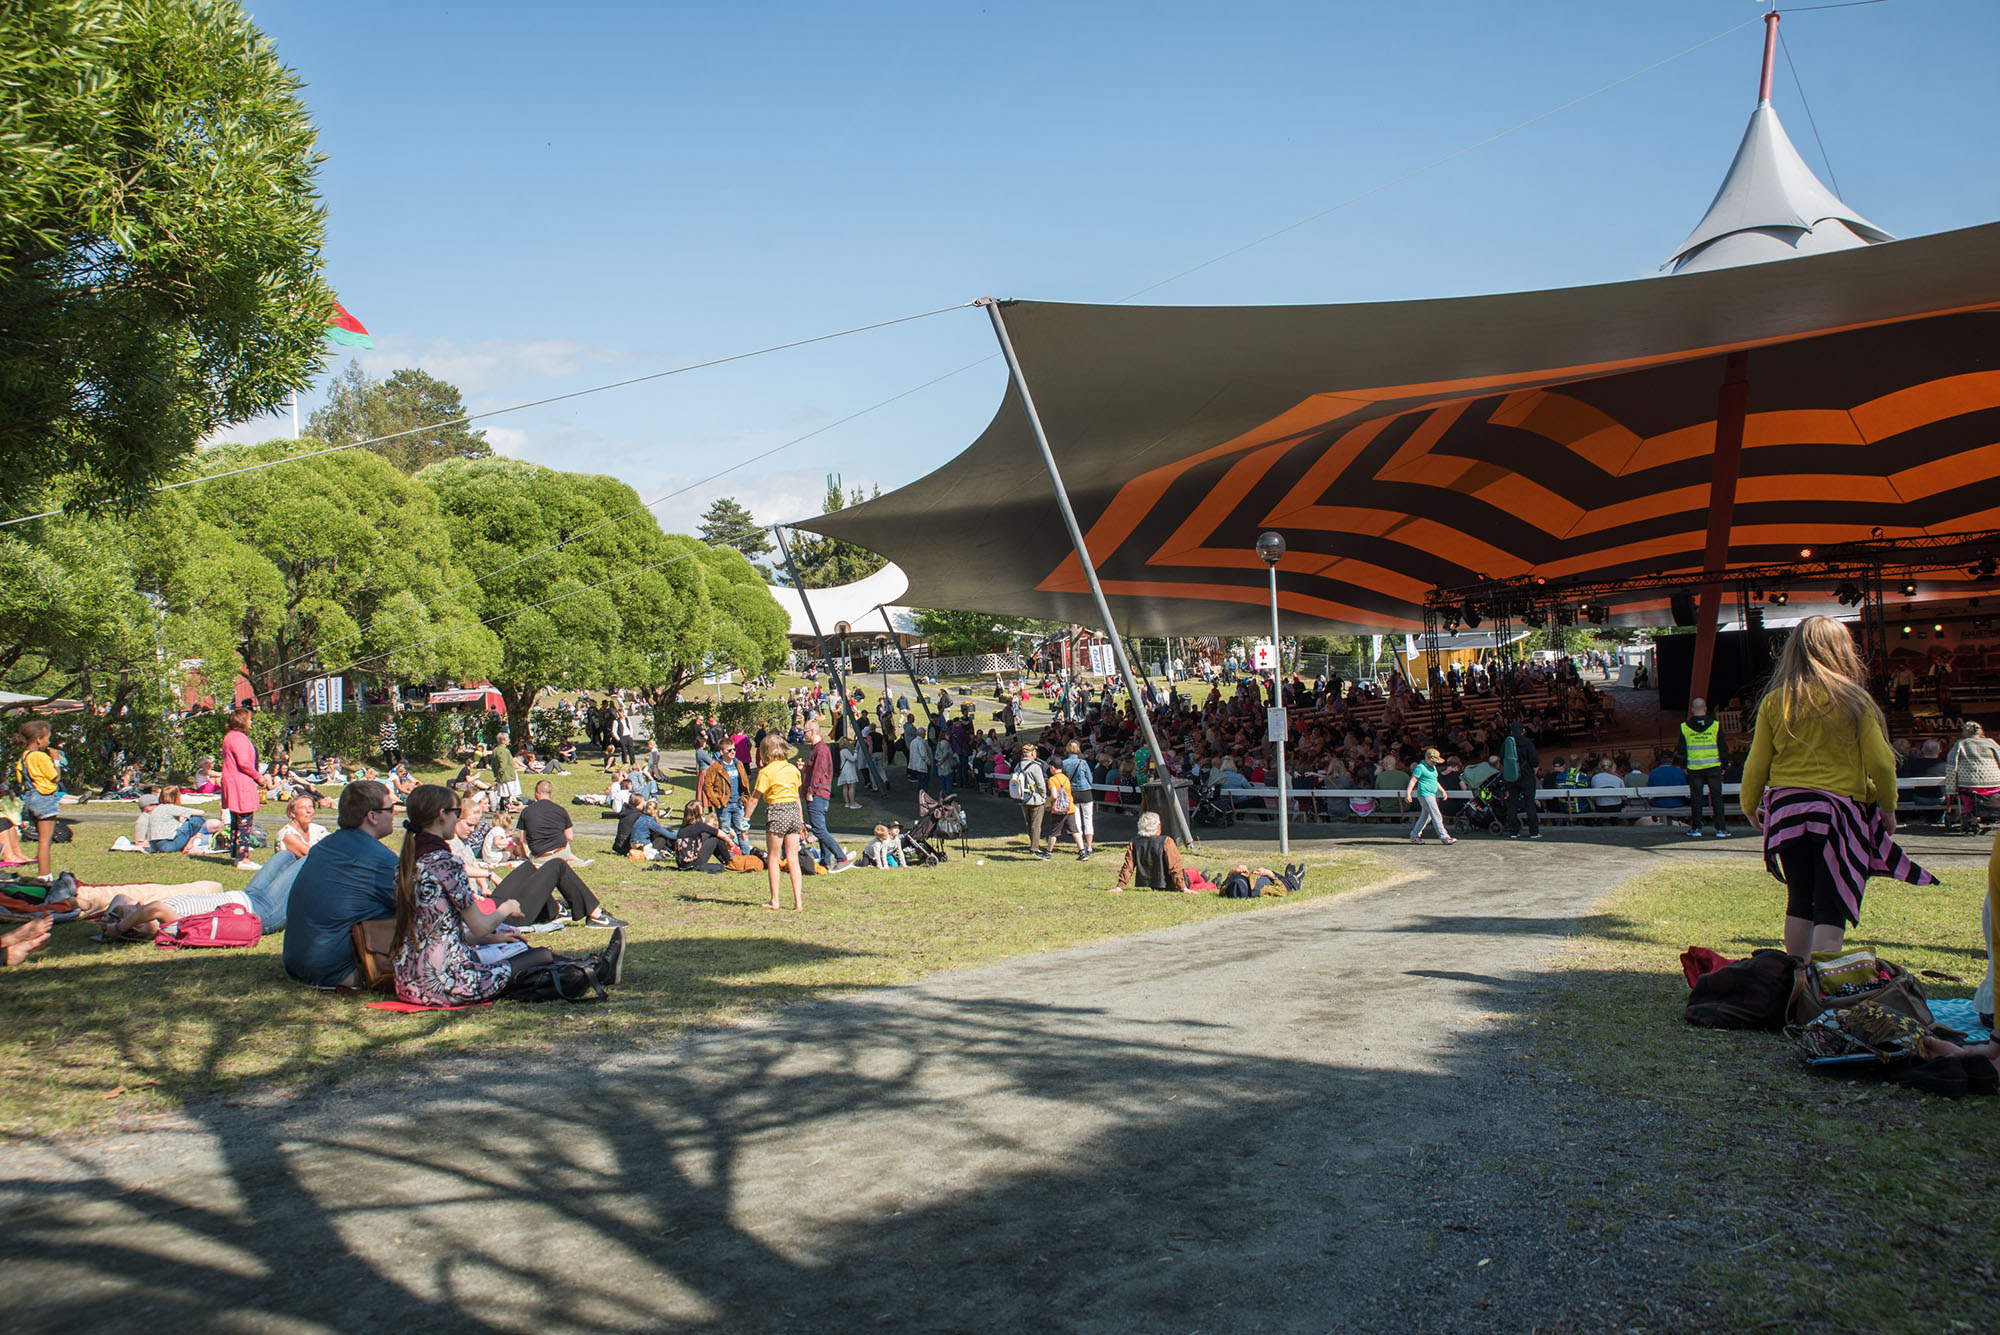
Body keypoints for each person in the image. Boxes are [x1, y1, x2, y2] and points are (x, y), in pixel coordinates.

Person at [1741, 616, 1934, 959]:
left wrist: (1749, 805)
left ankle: (1797, 979)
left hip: (1787, 809)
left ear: (1793, 652)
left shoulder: (1776, 701)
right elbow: (1882, 763)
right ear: (1843, 652)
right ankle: (1823, 985)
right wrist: (1888, 807)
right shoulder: (1855, 702)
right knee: (1830, 900)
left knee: (1799, 897)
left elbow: (1756, 763)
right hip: (1835, 814)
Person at [393, 784, 564, 1007]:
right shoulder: (447, 864)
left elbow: (437, 931)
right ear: (441, 815)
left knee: (522, 956)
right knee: (541, 956)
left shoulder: (404, 865)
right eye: (455, 813)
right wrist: (507, 908)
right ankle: (590, 969)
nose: (456, 820)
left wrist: (493, 939)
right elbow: (480, 926)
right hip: (444, 983)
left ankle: (592, 967)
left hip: (408, 982)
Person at [283, 780, 400, 988]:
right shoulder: (378, 859)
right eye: (390, 809)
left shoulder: (324, 847)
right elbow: (419, 908)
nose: (395, 813)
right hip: (336, 971)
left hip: (296, 962)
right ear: (372, 817)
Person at [745, 733, 807, 911]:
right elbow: (796, 797)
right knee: (793, 858)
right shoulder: (793, 769)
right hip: (793, 813)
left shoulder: (766, 772)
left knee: (773, 858)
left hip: (777, 812)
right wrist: (801, 821)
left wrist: (745, 820)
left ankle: (775, 900)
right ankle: (798, 902)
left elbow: (754, 799)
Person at [796, 718, 852, 870]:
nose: (803, 734)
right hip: (819, 794)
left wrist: (810, 791)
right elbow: (815, 769)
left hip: (817, 794)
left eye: (805, 732)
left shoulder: (820, 749)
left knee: (819, 830)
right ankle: (825, 861)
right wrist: (806, 767)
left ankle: (841, 857)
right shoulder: (817, 749)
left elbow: (819, 774)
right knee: (820, 829)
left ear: (812, 731)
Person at [11, 719, 61, 881]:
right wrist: (56, 760)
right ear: (39, 739)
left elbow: (20, 778)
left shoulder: (24, 756)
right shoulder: (40, 756)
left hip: (30, 798)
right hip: (45, 799)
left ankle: (44, 874)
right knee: (45, 842)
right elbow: (55, 777)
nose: (49, 741)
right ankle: (45, 875)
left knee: (41, 839)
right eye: (47, 737)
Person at [220, 707, 266, 871]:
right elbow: (244, 763)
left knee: (237, 821)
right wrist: (258, 777)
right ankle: (243, 859)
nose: (251, 722)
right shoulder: (238, 738)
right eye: (249, 719)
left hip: (233, 781)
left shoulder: (230, 737)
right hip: (240, 782)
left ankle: (237, 854)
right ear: (242, 721)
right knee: (245, 821)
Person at [1111, 811, 1195, 893]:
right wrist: (1184, 888)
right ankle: (1205, 881)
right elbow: (1175, 867)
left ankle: (1203, 878)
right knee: (1193, 872)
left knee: (1192, 874)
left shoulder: (1134, 843)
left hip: (1154, 885)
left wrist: (1119, 887)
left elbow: (1128, 867)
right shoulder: (1167, 841)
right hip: (1173, 885)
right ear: (1158, 826)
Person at [1681, 696, 1728, 837]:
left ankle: (1696, 828)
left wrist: (1684, 766)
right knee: (1717, 798)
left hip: (1694, 768)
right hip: (1714, 767)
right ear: (1705, 709)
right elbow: (1723, 748)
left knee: (1696, 799)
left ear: (1692, 710)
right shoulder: (1715, 726)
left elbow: (1681, 750)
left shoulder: (1685, 728)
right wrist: (1724, 765)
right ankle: (1721, 829)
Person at [1943, 721, 2000, 831]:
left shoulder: (1961, 744)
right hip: (1995, 784)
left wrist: (1950, 789)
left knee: (1966, 793)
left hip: (1970, 784)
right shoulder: (1991, 743)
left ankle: (1971, 818)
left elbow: (1951, 767)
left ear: (1965, 732)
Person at [518, 779, 589, 866]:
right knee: (563, 845)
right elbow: (569, 837)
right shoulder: (560, 810)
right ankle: (577, 860)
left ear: (537, 793)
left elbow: (522, 839)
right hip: (561, 854)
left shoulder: (526, 811)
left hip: (540, 857)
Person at [1405, 747, 1455, 845]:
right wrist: (1408, 793)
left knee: (1426, 816)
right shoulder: (1420, 767)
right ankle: (1444, 837)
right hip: (1425, 794)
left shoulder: (1433, 768)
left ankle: (1414, 835)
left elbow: (1434, 781)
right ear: (1426, 759)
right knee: (1436, 814)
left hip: (1431, 794)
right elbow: (1413, 780)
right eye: (1433, 761)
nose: (1435, 763)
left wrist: (1442, 791)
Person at [1502, 722, 1541, 840]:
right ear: (1523, 731)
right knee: (1529, 803)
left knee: (1512, 804)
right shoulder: (1527, 743)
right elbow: (1535, 761)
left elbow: (1501, 759)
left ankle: (1513, 831)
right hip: (1526, 776)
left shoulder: (1506, 743)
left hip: (1511, 777)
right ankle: (1534, 832)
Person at [1061, 740, 1098, 862]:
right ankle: (1089, 847)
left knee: (1076, 820)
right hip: (1086, 791)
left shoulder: (1064, 763)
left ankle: (1080, 846)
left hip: (1073, 792)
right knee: (1088, 819)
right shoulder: (1083, 762)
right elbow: (1090, 778)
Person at [1014, 742, 1051, 860]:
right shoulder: (1035, 766)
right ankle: (1035, 848)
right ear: (1032, 753)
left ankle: (1033, 843)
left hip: (1023, 798)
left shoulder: (1018, 765)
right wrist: (1044, 797)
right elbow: (1041, 784)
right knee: (1036, 824)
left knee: (1029, 823)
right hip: (1035, 799)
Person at [490, 731, 521, 808]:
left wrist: (496, 775)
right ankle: (505, 811)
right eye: (508, 739)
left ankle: (503, 810)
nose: (509, 740)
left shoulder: (495, 750)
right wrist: (499, 775)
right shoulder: (503, 750)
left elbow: (493, 765)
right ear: (503, 740)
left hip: (502, 775)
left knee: (504, 794)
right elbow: (502, 764)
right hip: (507, 776)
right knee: (507, 794)